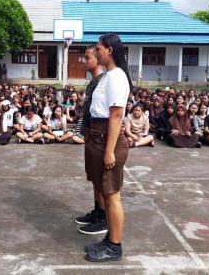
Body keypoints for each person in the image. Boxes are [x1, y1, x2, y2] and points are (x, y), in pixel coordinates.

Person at [84, 34, 131, 262]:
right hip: (98, 136)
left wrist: (109, 151)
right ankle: (109, 239)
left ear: (109, 50)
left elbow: (116, 115)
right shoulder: (107, 76)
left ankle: (114, 246)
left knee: (112, 196)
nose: (97, 51)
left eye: (99, 48)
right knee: (105, 191)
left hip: (107, 139)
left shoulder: (116, 77)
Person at [74, 45, 107, 236]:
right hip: (89, 134)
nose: (84, 61)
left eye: (87, 58)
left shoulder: (102, 82)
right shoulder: (93, 82)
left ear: (97, 59)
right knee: (94, 177)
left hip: (98, 135)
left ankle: (103, 218)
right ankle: (96, 211)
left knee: (101, 179)